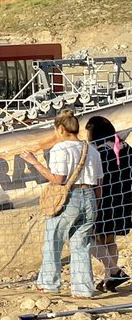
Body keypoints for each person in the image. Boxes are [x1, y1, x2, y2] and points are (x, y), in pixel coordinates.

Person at [22, 110, 103, 299]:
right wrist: (96, 204)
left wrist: (34, 162)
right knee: (81, 245)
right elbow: (99, 183)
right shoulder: (91, 150)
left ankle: (48, 284)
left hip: (69, 198)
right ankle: (83, 289)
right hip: (90, 196)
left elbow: (58, 179)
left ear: (60, 129)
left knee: (53, 241)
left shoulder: (60, 149)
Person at [87, 116, 132, 290]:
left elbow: (97, 179)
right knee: (109, 239)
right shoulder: (124, 147)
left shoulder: (100, 153)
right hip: (122, 202)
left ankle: (114, 271)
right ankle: (110, 277)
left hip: (103, 201)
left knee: (89, 237)